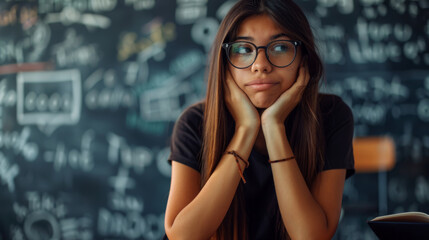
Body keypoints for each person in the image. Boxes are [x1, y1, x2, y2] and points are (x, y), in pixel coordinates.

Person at [164, 0, 355, 239]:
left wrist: (274, 126)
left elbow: (311, 236)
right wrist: (246, 129)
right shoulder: (195, 123)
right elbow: (183, 236)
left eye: (280, 47)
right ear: (225, 66)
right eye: (244, 50)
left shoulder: (330, 116)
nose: (260, 65)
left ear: (303, 59)